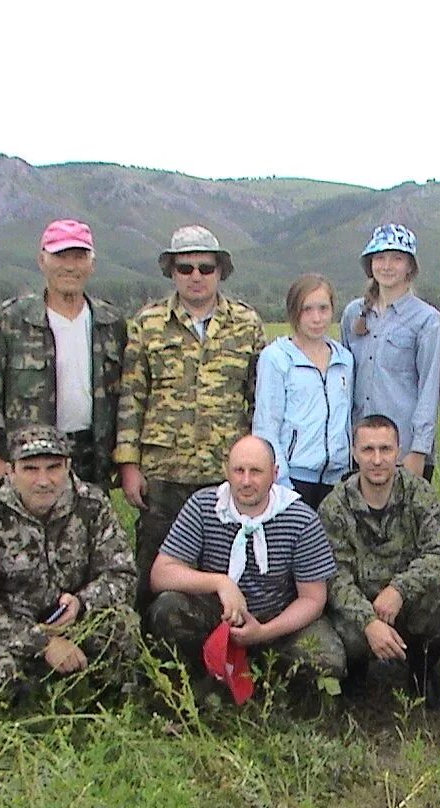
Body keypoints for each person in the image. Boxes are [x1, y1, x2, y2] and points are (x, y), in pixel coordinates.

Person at [115, 225, 266, 611]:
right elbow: (132, 396)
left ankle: (219, 663)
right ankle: (149, 661)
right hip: (164, 473)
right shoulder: (147, 323)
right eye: (185, 268)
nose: (196, 276)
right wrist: (129, 465)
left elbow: (260, 401)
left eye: (205, 267)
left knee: (228, 572)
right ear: (171, 272)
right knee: (153, 572)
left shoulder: (246, 324)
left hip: (226, 473)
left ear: (220, 271)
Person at [0, 425, 139, 710]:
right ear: (11, 471)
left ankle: (99, 708)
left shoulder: (92, 504)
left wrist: (82, 604)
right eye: (30, 469)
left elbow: (122, 575)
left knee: (122, 626)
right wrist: (42, 643)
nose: (44, 480)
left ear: (68, 466)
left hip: (75, 623)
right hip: (12, 633)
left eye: (53, 468)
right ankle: (18, 720)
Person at [145, 435, 345, 684]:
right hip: (217, 613)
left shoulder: (300, 519)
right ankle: (201, 685)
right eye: (239, 471)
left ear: (275, 473)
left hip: (276, 618)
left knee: (327, 659)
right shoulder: (203, 505)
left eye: (256, 471)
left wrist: (263, 633)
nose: (246, 481)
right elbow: (161, 574)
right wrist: (220, 583)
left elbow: (313, 598)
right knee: (167, 609)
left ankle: (270, 690)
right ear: (226, 471)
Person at [0, 219, 125, 487]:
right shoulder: (13, 320)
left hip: (92, 458)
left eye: (79, 256)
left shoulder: (111, 323)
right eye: (60, 256)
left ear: (92, 265)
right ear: (42, 261)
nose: (70, 266)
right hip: (31, 460)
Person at [318, 415, 440, 709]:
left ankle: (422, 671)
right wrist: (368, 622)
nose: (378, 459)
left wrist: (399, 589)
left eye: (386, 449)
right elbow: (333, 576)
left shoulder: (419, 493)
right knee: (342, 628)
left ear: (398, 451)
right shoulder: (335, 506)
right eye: (368, 450)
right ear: (355, 453)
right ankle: (356, 674)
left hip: (406, 602)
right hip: (360, 606)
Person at [341, 224, 440, 480]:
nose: (387, 266)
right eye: (380, 258)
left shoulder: (427, 319)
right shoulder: (353, 314)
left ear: (410, 266)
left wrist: (419, 450)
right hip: (360, 449)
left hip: (403, 450)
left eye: (397, 258)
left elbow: (429, 388)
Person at [252, 274, 353, 510]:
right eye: (307, 309)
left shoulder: (344, 360)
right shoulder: (276, 358)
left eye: (323, 308)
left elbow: (346, 418)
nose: (316, 318)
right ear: (293, 311)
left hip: (336, 481)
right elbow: (266, 425)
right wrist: (283, 484)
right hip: (295, 480)